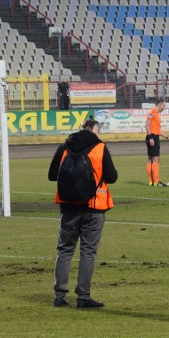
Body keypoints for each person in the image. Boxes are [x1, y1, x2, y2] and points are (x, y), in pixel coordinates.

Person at [48, 118, 118, 308]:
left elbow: (52, 175)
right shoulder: (100, 147)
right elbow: (112, 177)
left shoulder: (64, 146)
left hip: (68, 207)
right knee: (88, 252)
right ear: (95, 131)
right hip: (94, 207)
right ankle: (83, 297)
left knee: (64, 250)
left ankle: (59, 295)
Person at [144, 98, 169, 187]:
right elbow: (147, 125)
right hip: (152, 137)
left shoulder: (156, 114)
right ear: (160, 105)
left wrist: (168, 137)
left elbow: (158, 130)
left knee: (151, 159)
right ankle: (156, 181)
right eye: (164, 106)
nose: (164, 108)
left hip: (153, 136)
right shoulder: (152, 112)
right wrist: (151, 137)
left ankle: (151, 181)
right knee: (155, 159)